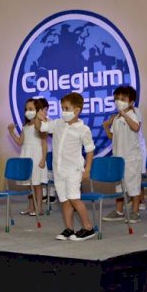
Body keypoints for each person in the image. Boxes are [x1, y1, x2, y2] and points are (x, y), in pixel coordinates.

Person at [35, 92, 97, 241]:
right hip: (59, 170)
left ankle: (88, 227)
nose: (63, 111)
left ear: (77, 110)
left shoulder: (83, 129)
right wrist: (38, 118)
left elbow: (89, 150)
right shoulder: (57, 124)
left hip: (73, 170)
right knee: (64, 200)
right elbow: (40, 128)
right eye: (62, 108)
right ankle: (69, 229)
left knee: (74, 199)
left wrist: (87, 169)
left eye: (67, 108)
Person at [102, 86, 145, 223]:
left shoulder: (133, 114)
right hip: (118, 158)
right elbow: (112, 137)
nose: (119, 101)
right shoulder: (115, 118)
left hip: (132, 158)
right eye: (117, 99)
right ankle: (119, 211)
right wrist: (105, 127)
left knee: (133, 185)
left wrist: (125, 115)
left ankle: (135, 212)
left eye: (123, 99)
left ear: (131, 102)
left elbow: (136, 127)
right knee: (119, 186)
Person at [7, 98, 49, 216]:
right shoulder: (25, 127)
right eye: (26, 109)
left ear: (38, 110)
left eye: (31, 109)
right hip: (26, 155)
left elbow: (44, 144)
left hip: (37, 156)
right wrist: (11, 132)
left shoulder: (41, 125)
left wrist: (43, 159)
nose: (27, 111)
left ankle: (39, 208)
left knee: (37, 184)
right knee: (30, 184)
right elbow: (20, 142)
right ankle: (30, 207)